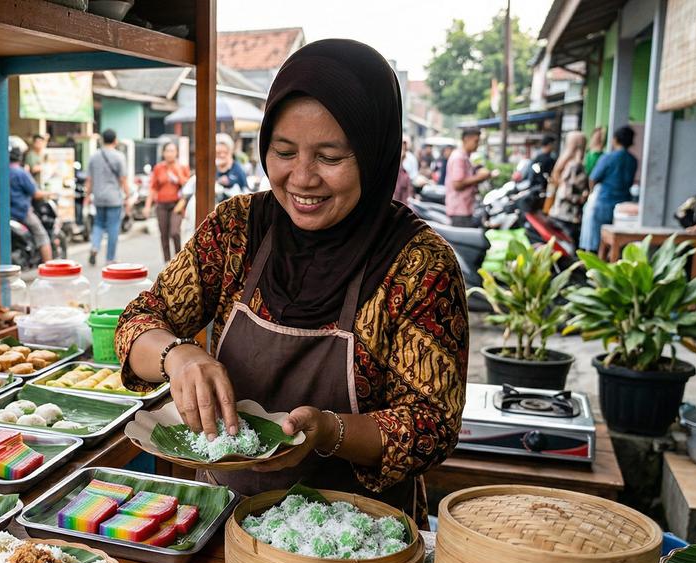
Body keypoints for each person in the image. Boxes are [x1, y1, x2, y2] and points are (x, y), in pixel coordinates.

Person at [114, 39, 467, 525]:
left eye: (330, 157)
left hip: (359, 537)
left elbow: (432, 426)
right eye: (284, 151)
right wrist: (178, 355)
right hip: (222, 520)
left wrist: (329, 432)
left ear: (375, 153)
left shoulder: (420, 266)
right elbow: (138, 321)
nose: (301, 178)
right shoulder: (235, 230)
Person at [581, 126, 638, 252]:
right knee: (616, 243)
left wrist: (591, 192)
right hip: (623, 205)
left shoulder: (608, 157)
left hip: (604, 202)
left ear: (615, 139)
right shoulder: (633, 160)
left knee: (598, 240)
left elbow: (593, 178)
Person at [85, 129, 130, 266]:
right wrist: (127, 196)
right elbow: (123, 179)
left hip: (98, 197)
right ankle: (110, 258)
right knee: (113, 227)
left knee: (98, 224)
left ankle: (95, 247)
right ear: (115, 140)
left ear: (102, 140)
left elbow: (89, 180)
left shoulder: (94, 156)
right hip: (114, 198)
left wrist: (87, 196)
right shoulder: (119, 156)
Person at [8, 136, 54, 263]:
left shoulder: (0, 171)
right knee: (42, 235)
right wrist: (50, 193)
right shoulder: (20, 172)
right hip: (21, 212)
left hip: (7, 213)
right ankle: (49, 266)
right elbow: (35, 193)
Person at [145, 141, 191, 262]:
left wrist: (178, 174)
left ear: (176, 153)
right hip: (161, 205)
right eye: (167, 151)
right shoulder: (158, 168)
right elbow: (153, 187)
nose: (170, 153)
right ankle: (167, 262)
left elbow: (188, 185)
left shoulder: (182, 167)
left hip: (177, 205)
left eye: (172, 151)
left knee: (175, 232)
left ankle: (179, 260)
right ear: (163, 153)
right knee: (164, 234)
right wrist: (147, 206)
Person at [445, 129, 495, 227]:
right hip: (459, 210)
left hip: (464, 208)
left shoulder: (465, 157)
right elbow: (457, 184)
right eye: (476, 141)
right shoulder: (459, 157)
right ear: (466, 139)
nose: (477, 144)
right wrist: (480, 177)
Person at [548, 131, 589, 243]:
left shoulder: (565, 163)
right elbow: (569, 193)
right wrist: (583, 198)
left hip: (559, 212)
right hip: (569, 215)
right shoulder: (576, 165)